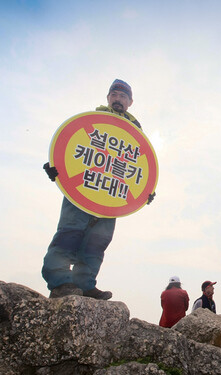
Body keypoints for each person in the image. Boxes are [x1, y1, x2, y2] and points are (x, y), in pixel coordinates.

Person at [42, 79, 151, 300]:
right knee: (69, 233)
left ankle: (84, 285)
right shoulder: (94, 120)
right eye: (114, 94)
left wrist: (145, 192)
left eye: (123, 95)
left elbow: (138, 168)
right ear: (108, 98)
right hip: (84, 189)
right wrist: (57, 167)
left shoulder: (135, 132)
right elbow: (75, 148)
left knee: (97, 241)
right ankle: (59, 281)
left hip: (110, 197)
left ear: (130, 102)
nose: (118, 98)